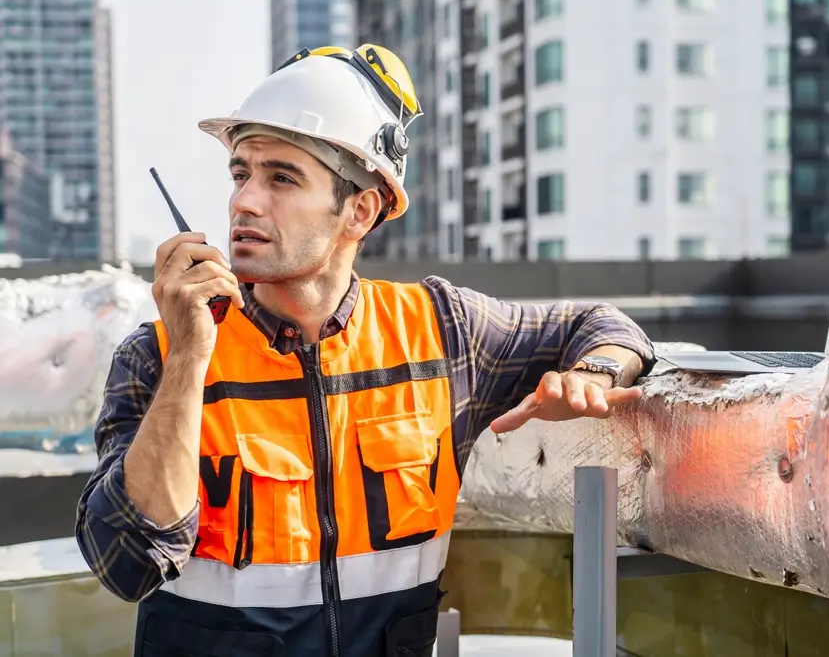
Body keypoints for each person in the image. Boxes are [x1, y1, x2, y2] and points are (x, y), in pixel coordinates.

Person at [75, 44, 656, 657]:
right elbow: (125, 565)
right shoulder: (159, 356)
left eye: (281, 178)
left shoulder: (443, 331)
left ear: (360, 209)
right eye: (241, 173)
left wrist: (593, 372)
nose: (244, 201)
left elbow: (600, 322)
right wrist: (192, 357)